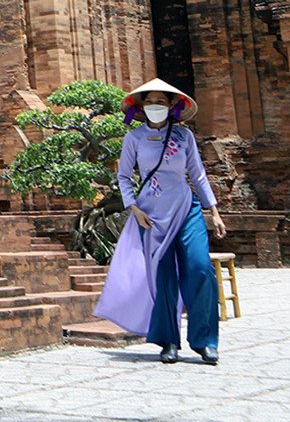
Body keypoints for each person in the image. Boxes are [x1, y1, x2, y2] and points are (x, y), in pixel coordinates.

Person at [94, 78, 226, 364]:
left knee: (200, 267)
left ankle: (204, 341)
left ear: (171, 106)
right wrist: (133, 208)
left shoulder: (184, 137)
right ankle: (168, 342)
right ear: (142, 107)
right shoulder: (134, 138)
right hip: (151, 215)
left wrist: (213, 210)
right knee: (163, 277)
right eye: (150, 101)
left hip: (185, 207)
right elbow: (124, 176)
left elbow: (198, 173)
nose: (155, 106)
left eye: (161, 102)